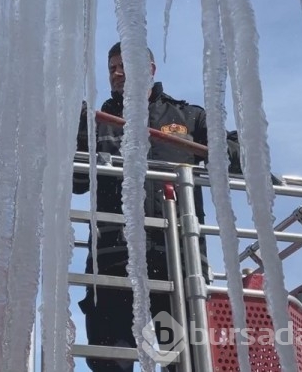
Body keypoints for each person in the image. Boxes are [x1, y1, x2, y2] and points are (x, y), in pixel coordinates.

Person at [73, 42, 242, 372]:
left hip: (175, 262)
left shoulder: (189, 118)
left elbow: (237, 157)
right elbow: (76, 182)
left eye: (126, 65)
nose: (118, 73)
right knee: (112, 362)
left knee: (179, 359)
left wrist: (222, 150)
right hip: (113, 262)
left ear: (150, 69)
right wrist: (73, 127)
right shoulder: (97, 123)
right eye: (112, 68)